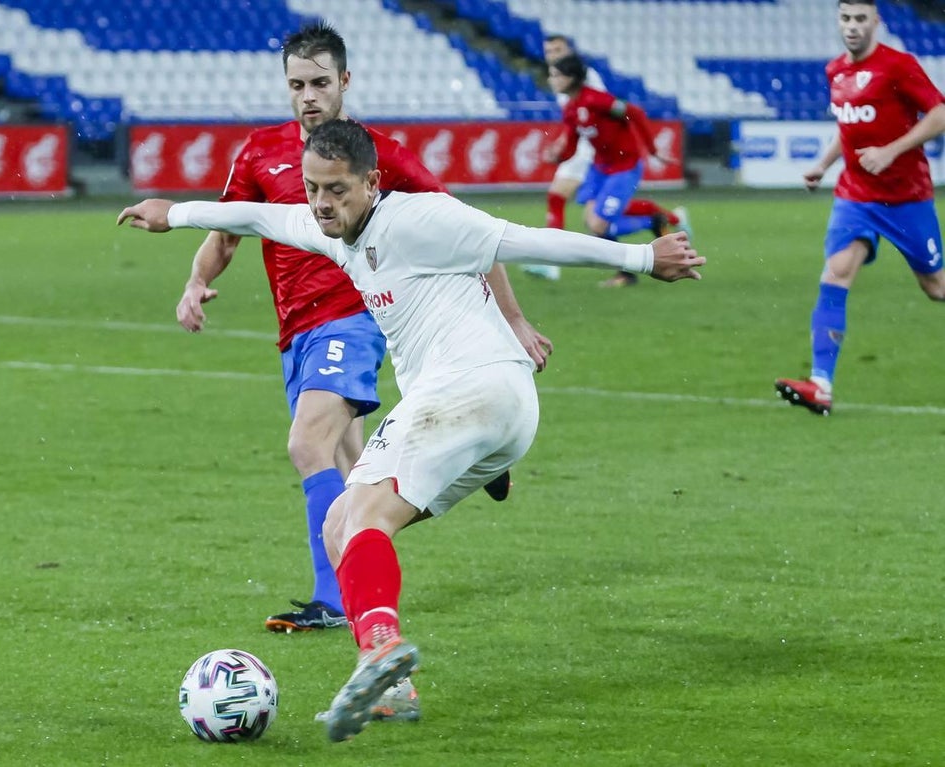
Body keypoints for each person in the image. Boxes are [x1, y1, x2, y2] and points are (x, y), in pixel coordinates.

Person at [117, 118, 704, 742]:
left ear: (371, 181)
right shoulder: (328, 225)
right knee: (344, 526)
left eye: (337, 190)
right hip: (495, 414)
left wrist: (643, 256)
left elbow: (525, 240)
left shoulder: (421, 218)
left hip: (471, 386)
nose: (320, 203)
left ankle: (380, 647)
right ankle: (393, 691)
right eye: (313, 188)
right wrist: (173, 213)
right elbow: (257, 219)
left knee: (360, 514)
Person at [177, 22, 554, 637]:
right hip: (295, 329)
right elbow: (228, 233)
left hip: (355, 316)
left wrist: (512, 318)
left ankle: (335, 602)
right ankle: (475, 462)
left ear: (344, 82)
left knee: (306, 444)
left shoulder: (377, 157)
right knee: (353, 469)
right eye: (297, 84)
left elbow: (471, 234)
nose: (308, 96)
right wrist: (195, 283)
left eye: (320, 83)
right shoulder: (260, 152)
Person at [774, 0, 945, 416]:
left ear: (876, 22)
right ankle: (820, 385)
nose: (852, 27)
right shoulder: (836, 70)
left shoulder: (898, 65)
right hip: (854, 197)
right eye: (846, 19)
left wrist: (891, 151)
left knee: (936, 287)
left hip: (906, 197)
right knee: (835, 272)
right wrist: (822, 164)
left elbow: (939, 113)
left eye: (860, 19)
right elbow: (847, 126)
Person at [525, 35, 688, 282]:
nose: (551, 80)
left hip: (624, 166)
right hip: (600, 168)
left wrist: (653, 150)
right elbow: (571, 146)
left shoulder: (597, 100)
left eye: (556, 76)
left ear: (570, 78)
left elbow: (635, 113)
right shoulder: (571, 108)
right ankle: (635, 257)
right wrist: (557, 157)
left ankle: (649, 230)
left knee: (599, 224)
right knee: (592, 222)